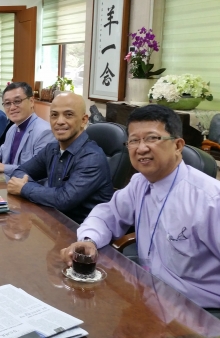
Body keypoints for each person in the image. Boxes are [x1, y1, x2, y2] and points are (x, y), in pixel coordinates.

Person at [61, 105, 220, 311]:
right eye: (134, 140)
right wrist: (88, 241)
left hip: (198, 311)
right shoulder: (140, 182)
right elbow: (106, 215)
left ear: (178, 145)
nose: (141, 148)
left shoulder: (210, 200)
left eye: (152, 138)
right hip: (149, 294)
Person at [7, 92, 114, 224]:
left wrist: (24, 188)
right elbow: (20, 171)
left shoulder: (92, 157)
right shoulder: (51, 149)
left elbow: (64, 199)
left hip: (85, 233)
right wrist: (36, 190)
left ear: (84, 120)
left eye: (68, 115)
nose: (60, 121)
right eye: (54, 115)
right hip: (54, 223)